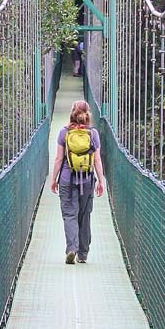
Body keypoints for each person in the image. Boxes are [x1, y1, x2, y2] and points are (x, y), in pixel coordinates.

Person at [50, 99, 105, 265]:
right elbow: (97, 160)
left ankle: (71, 248)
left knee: (69, 214)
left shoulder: (64, 133)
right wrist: (101, 181)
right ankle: (83, 254)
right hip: (87, 179)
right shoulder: (92, 134)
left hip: (67, 178)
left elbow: (59, 158)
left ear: (72, 113)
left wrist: (54, 179)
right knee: (84, 215)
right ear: (88, 114)